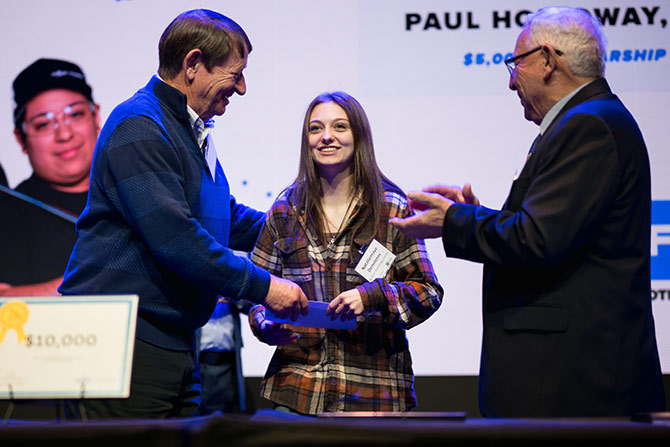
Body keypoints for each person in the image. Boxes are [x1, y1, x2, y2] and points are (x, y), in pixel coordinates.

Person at [391, 6, 665, 418]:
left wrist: (453, 220)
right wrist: (473, 215)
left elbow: (538, 239)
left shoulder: (588, 125)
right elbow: (550, 230)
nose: (510, 81)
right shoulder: (588, 120)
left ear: (548, 60)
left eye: (515, 63)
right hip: (572, 376)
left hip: (575, 383)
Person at [59, 9, 308, 419]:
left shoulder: (187, 129)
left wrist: (298, 227)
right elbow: (177, 238)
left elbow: (222, 215)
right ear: (193, 64)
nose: (242, 88)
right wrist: (266, 287)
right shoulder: (139, 125)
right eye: (235, 74)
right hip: (121, 342)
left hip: (170, 340)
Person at [248, 92, 443, 415]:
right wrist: (262, 322)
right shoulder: (285, 210)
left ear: (359, 136)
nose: (326, 136)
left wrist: (373, 296)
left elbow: (428, 292)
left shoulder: (391, 209)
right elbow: (258, 288)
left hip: (374, 393)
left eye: (339, 126)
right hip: (298, 390)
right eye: (316, 128)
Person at [0, 59, 99, 299]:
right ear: (21, 138)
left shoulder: (135, 192)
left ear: (95, 116)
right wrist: (92, 279)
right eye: (43, 124)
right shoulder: (9, 212)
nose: (64, 134)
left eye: (75, 114)